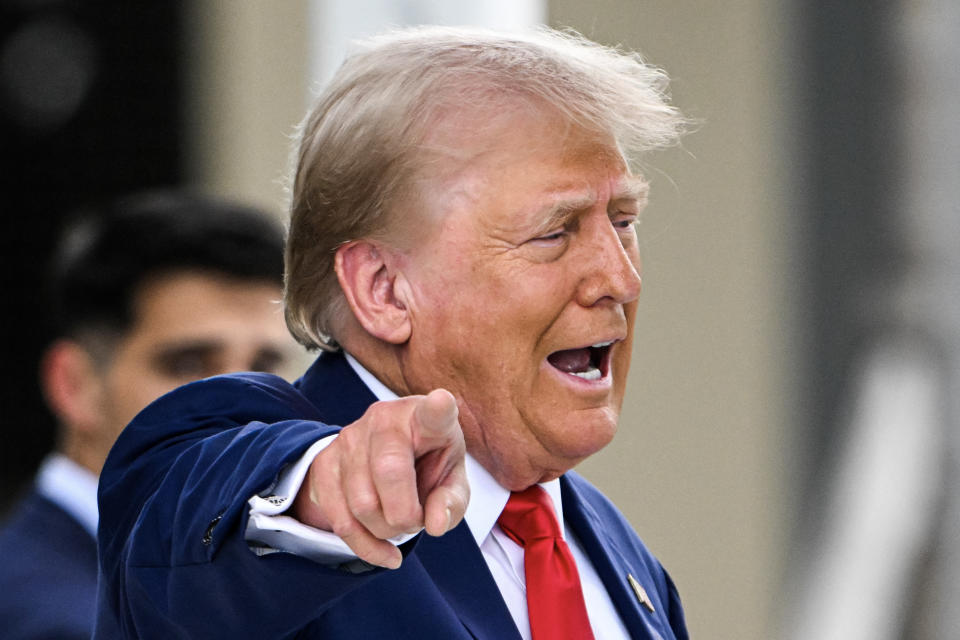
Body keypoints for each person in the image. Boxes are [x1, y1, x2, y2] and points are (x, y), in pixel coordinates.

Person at [95, 26, 690, 639]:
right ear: (383, 289)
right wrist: (321, 493)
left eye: (622, 221)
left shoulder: (619, 555)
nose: (620, 278)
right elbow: (183, 552)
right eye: (555, 231)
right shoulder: (231, 460)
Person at [0, 190, 300, 639]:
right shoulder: (50, 620)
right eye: (190, 365)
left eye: (264, 367)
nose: (246, 408)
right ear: (75, 385)